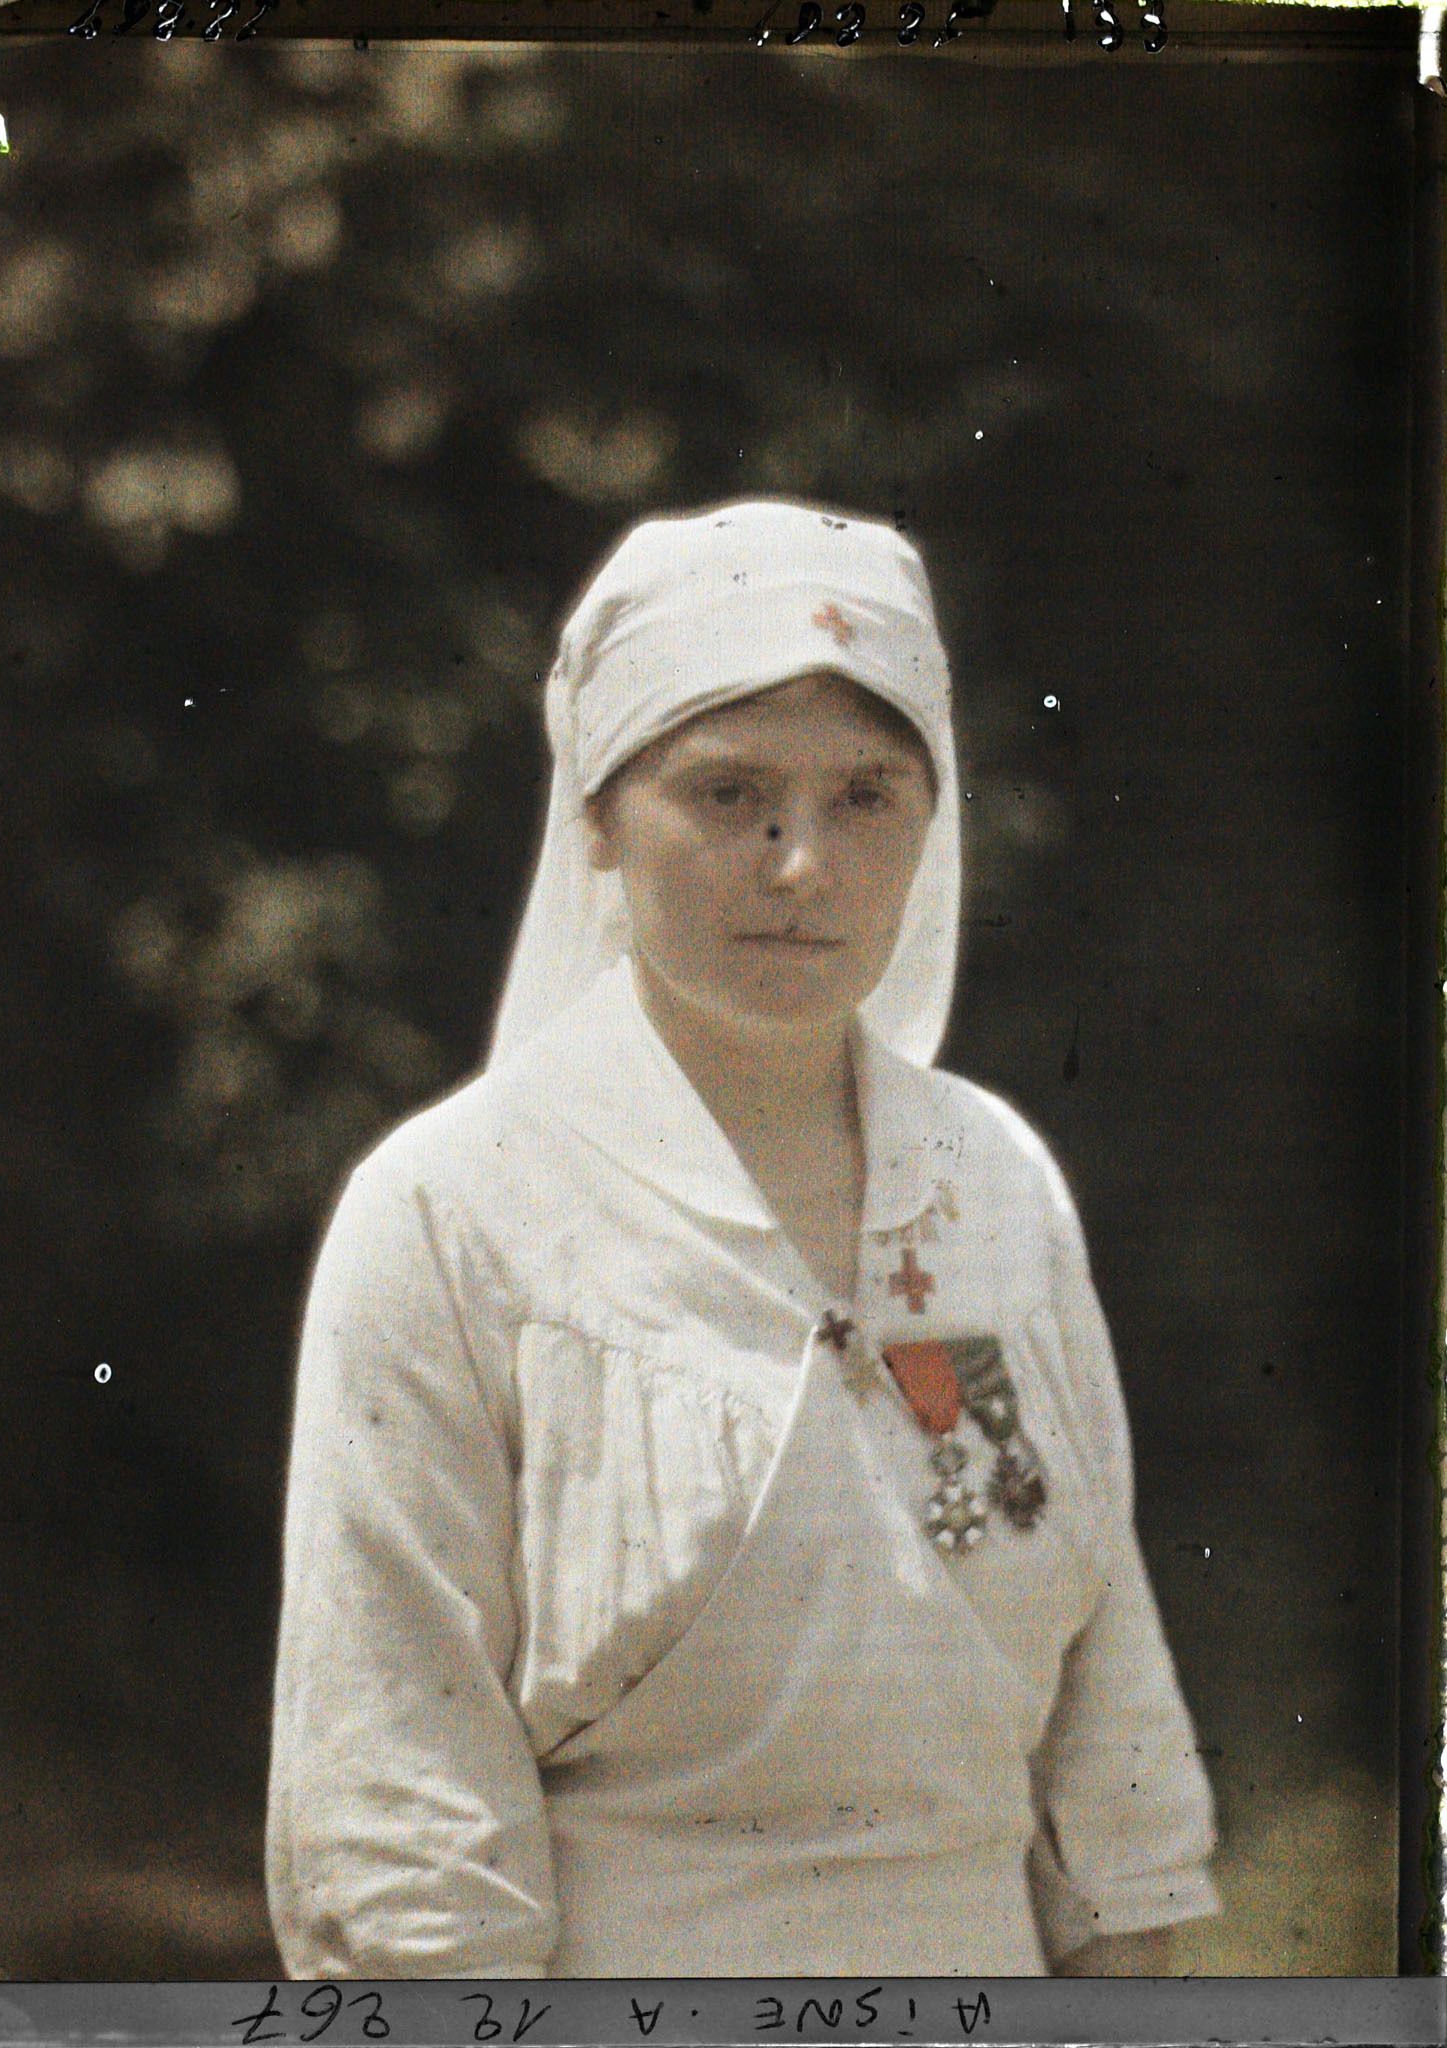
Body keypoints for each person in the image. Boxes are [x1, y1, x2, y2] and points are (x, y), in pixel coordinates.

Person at [266, 500, 1219, 1979]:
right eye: (728, 795)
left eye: (866, 796)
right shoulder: (455, 1211)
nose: (800, 865)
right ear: (596, 812)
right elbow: (397, 1810)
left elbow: (1114, 1756)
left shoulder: (995, 1185)